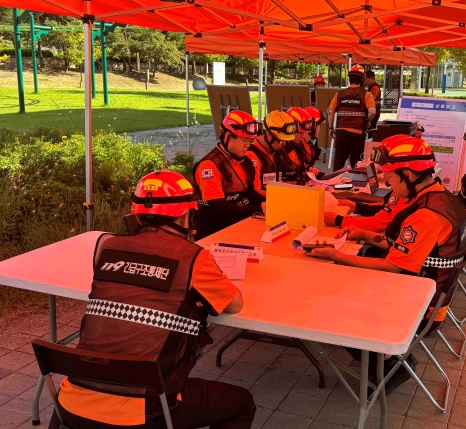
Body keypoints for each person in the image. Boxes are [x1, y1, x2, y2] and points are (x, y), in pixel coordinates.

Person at [49, 170, 255, 429]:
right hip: (143, 411)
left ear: (138, 214)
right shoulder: (193, 258)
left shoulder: (106, 246)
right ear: (185, 215)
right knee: (242, 404)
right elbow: (235, 304)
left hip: (70, 404)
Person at [310, 135, 466, 392]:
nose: (388, 184)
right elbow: (408, 249)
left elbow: (393, 267)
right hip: (430, 291)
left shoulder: (426, 215)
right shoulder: (440, 197)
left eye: (391, 178)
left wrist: (338, 257)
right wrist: (365, 235)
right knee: (352, 275)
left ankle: (389, 366)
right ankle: (386, 358)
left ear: (409, 175)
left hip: (422, 306)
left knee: (335, 304)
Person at [193, 110, 265, 240]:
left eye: (250, 141)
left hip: (240, 227)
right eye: (244, 140)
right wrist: (258, 209)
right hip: (214, 234)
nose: (247, 146)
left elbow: (249, 193)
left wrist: (272, 202)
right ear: (227, 136)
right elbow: (217, 207)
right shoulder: (209, 166)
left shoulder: (245, 161)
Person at [328, 64, 376, 171]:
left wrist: (331, 128)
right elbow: (372, 112)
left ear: (349, 79)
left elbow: (331, 112)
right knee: (356, 163)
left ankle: (335, 180)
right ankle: (355, 181)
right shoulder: (366, 94)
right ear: (362, 80)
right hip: (357, 133)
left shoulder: (339, 94)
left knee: (339, 161)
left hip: (341, 132)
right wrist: (367, 120)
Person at [246, 110, 296, 197]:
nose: (284, 144)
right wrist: (283, 196)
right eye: (281, 140)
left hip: (275, 197)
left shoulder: (275, 152)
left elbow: (279, 182)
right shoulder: (252, 155)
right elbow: (256, 191)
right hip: (264, 202)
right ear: (269, 134)